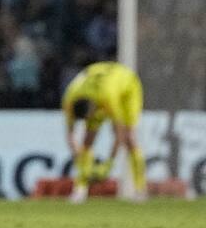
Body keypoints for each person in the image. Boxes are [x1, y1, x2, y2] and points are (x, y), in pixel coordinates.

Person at [62, 61, 147, 203]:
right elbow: (70, 136)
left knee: (129, 138)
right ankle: (80, 189)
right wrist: (81, 162)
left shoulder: (108, 97)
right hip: (97, 82)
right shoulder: (69, 99)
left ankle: (140, 190)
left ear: (94, 108)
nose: (91, 120)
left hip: (127, 88)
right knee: (87, 140)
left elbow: (119, 134)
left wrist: (109, 163)